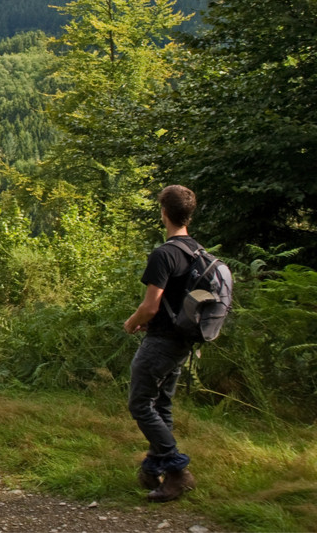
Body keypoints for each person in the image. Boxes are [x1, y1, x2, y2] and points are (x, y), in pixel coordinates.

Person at [123, 185, 201, 503]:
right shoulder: (197, 251)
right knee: (161, 406)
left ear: (164, 213)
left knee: (140, 404)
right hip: (183, 341)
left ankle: (178, 472)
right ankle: (154, 468)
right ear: (188, 215)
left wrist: (132, 322)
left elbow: (151, 306)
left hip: (161, 342)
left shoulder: (165, 253)